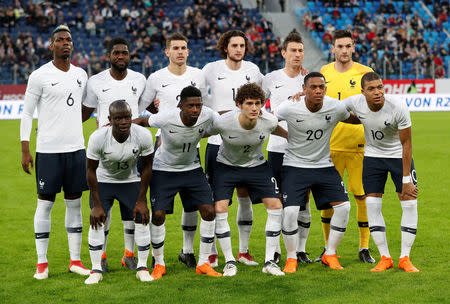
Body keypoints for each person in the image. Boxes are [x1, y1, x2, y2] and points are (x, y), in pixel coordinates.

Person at [20, 25, 90, 280]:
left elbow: (87, 106)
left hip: (76, 150)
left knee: (74, 204)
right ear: (51, 46)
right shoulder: (39, 75)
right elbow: (27, 113)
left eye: (69, 39)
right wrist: (25, 148)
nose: (65, 43)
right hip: (48, 151)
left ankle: (75, 260)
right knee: (45, 204)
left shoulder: (81, 74)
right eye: (60, 40)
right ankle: (42, 263)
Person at [134, 86, 222, 279]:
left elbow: (223, 120)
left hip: (192, 169)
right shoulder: (166, 117)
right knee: (158, 215)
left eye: (198, 105)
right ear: (181, 105)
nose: (195, 110)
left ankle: (204, 262)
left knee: (209, 211)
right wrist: (119, 126)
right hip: (164, 170)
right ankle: (159, 263)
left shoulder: (207, 114)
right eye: (190, 105)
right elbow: (142, 120)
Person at [275, 72, 360, 272]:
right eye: (313, 87)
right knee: (290, 211)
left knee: (344, 207)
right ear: (304, 90)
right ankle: (291, 258)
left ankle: (330, 254)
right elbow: (268, 121)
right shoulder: (289, 106)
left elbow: (353, 119)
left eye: (321, 87)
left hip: (323, 165)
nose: (318, 90)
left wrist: (375, 118)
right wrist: (285, 134)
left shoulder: (335, 107)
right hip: (294, 165)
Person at [139, 33, 208, 269]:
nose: (180, 51)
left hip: (192, 146)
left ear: (188, 51)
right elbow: (144, 105)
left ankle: (187, 250)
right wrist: (156, 113)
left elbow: (203, 103)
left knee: (191, 205)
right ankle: (156, 257)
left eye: (184, 47)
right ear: (166, 52)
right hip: (164, 144)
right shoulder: (157, 77)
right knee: (160, 210)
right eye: (175, 48)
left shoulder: (198, 75)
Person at [82, 37, 147, 272]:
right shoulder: (95, 81)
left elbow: (146, 108)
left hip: (133, 148)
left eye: (125, 53)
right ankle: (102, 255)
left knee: (132, 206)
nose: (121, 56)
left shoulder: (139, 80)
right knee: (103, 206)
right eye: (116, 53)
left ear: (129, 56)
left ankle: (129, 255)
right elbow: (86, 111)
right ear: (109, 56)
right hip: (105, 150)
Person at [208, 83, 287, 276]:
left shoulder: (268, 120)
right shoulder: (223, 122)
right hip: (226, 167)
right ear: (239, 105)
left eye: (258, 103)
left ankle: (269, 261)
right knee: (219, 209)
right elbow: (200, 134)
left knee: (276, 206)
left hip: (257, 166)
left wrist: (294, 139)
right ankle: (229, 262)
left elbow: (280, 131)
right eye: (249, 103)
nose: (254, 108)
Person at [344, 72, 419, 272]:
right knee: (372, 204)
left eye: (380, 87)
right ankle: (385, 257)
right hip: (372, 157)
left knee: (410, 202)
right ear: (363, 92)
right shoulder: (355, 102)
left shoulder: (398, 107)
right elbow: (334, 109)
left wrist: (406, 179)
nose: (377, 92)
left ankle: (405, 258)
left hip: (398, 155)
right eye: (371, 89)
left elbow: (407, 143)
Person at [202, 30, 263, 267]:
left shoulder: (253, 71)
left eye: (242, 45)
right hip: (217, 145)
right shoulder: (211, 69)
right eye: (234, 45)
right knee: (219, 201)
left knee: (245, 197)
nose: (238, 49)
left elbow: (262, 98)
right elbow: (194, 92)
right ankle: (215, 251)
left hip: (247, 145)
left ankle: (244, 251)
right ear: (224, 47)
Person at [319, 29, 375, 263]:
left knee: (362, 197)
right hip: (329, 147)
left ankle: (364, 247)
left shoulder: (366, 72)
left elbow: (375, 103)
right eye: (339, 46)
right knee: (328, 200)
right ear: (333, 49)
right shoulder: (324, 72)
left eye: (348, 46)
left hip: (359, 146)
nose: (343, 50)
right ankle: (328, 248)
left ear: (354, 47)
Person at [84, 100, 154, 284]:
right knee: (97, 221)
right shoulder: (98, 137)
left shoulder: (143, 135)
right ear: (110, 119)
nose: (124, 122)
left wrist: (142, 200)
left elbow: (147, 167)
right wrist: (97, 205)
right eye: (119, 118)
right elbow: (90, 170)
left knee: (142, 218)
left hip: (130, 180)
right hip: (104, 181)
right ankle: (96, 269)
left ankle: (142, 268)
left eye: (127, 118)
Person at [262, 31, 311, 264]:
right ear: (283, 53)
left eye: (300, 50)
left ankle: (300, 250)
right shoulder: (271, 78)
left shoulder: (310, 79)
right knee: (278, 201)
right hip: (278, 148)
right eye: (293, 50)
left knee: (303, 201)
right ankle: (277, 249)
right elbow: (258, 109)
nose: (297, 54)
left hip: (304, 150)